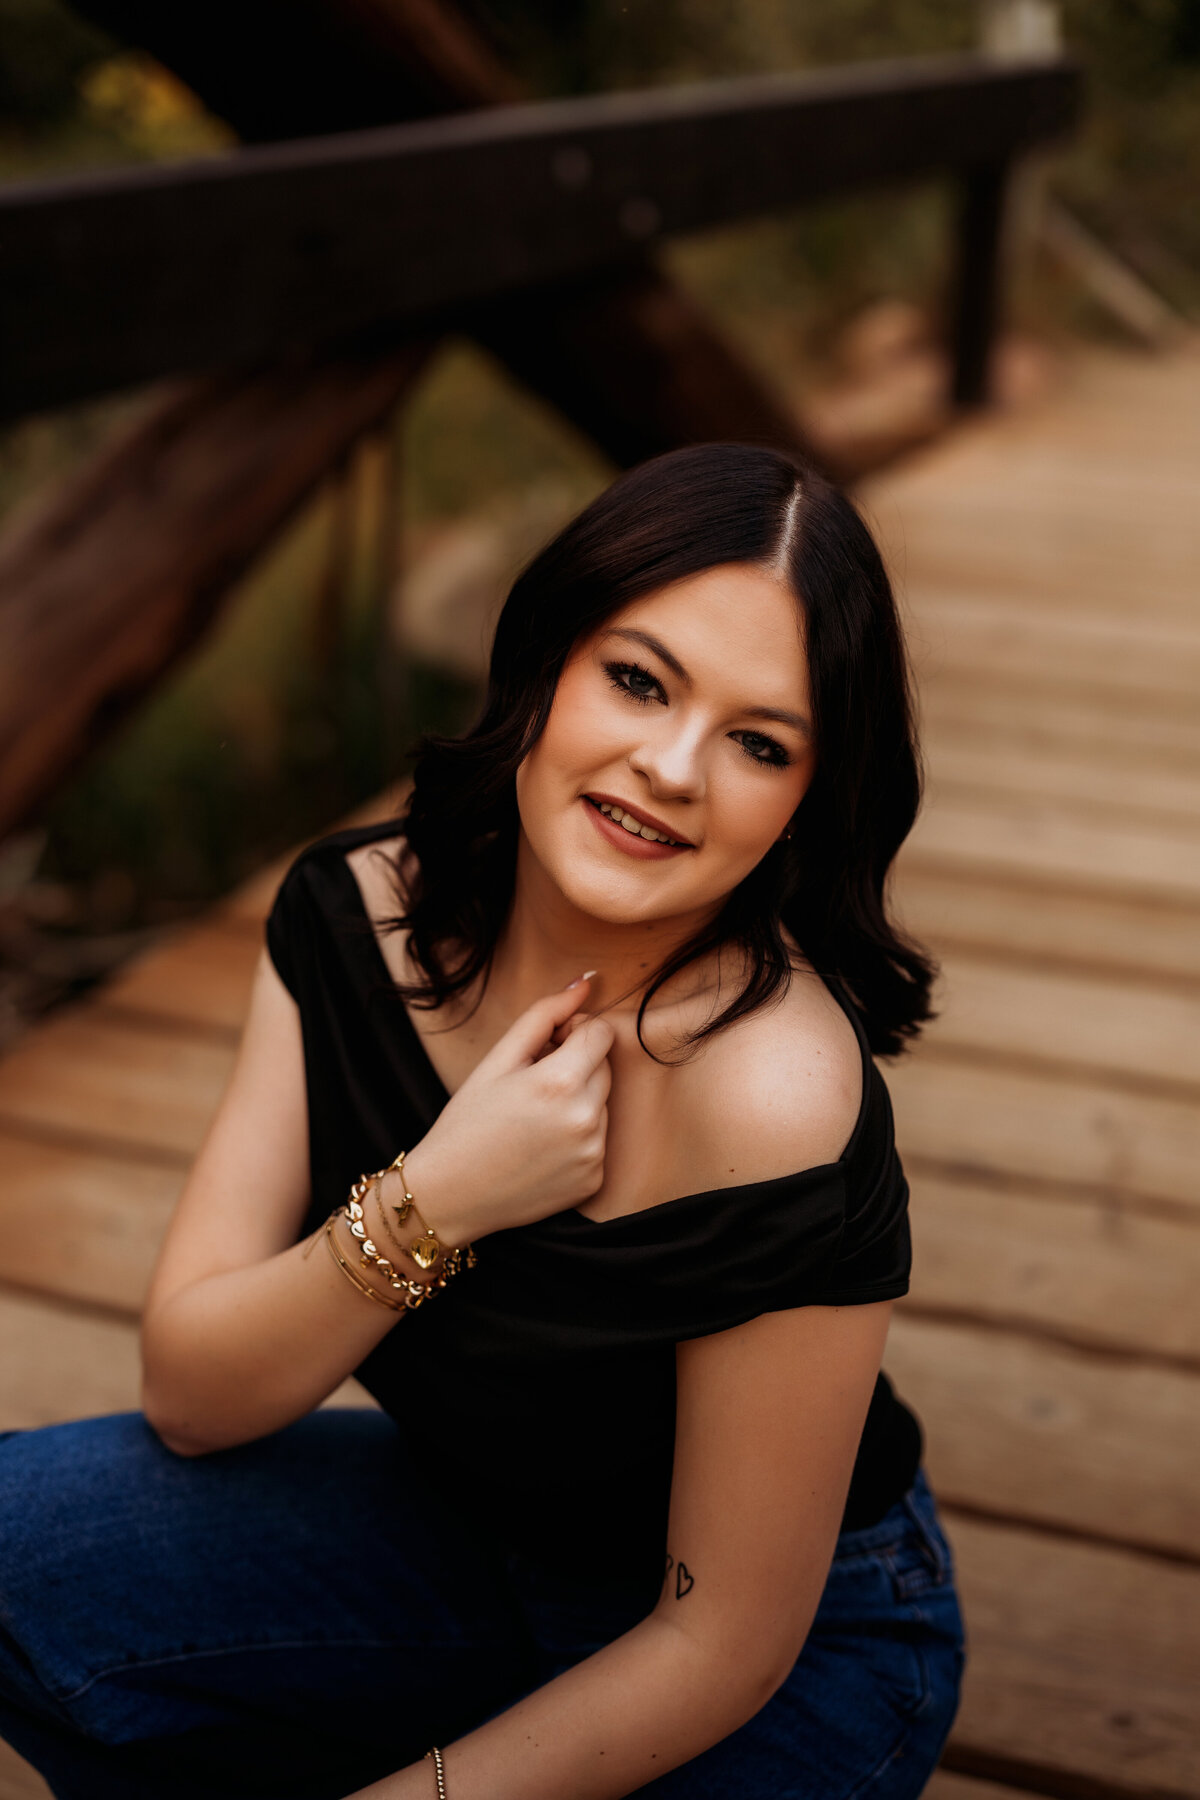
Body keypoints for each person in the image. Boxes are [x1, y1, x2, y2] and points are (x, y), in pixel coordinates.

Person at [0, 443, 965, 1800]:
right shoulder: (357, 917)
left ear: (808, 798)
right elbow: (196, 1397)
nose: (672, 766)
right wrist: (441, 1197)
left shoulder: (770, 1091)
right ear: (546, 660)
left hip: (775, 1655)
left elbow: (722, 1643)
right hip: (472, 1537)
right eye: (638, 680)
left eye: (759, 744)